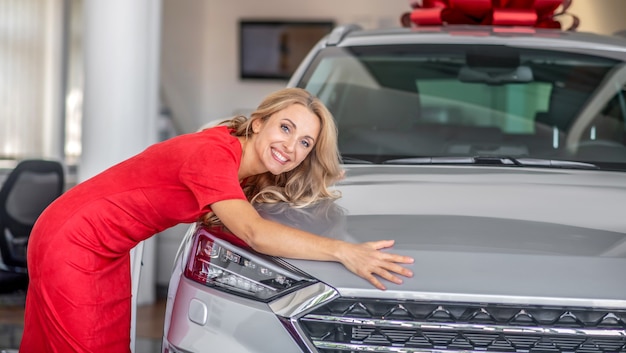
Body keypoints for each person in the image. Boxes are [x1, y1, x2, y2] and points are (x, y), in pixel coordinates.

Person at [20, 87, 414, 353]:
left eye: (305, 143)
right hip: (73, 239)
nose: (290, 147)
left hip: (107, 247)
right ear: (259, 122)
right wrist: (344, 252)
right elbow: (255, 232)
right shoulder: (214, 156)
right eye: (285, 128)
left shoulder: (240, 161)